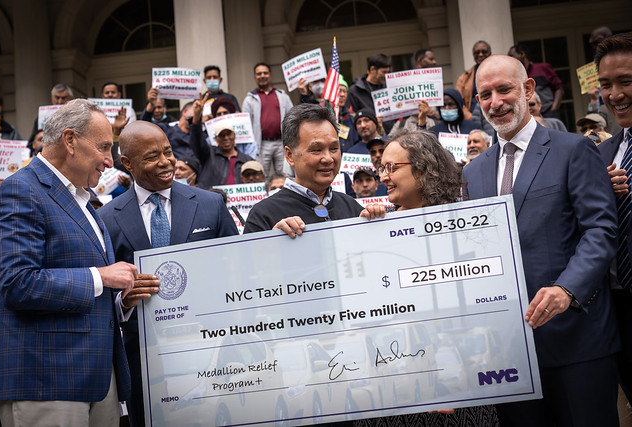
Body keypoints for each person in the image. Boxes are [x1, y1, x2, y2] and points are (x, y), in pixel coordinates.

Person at [463, 54, 619, 426]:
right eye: (485, 95)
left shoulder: (574, 150)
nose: (495, 102)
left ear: (529, 88)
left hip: (577, 342)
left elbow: (600, 231)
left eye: (504, 89)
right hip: (509, 352)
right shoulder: (473, 172)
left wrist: (567, 289)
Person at [0, 99, 138, 426]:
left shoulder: (83, 200)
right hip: (45, 381)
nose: (109, 160)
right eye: (104, 147)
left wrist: (122, 299)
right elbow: (17, 283)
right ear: (70, 140)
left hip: (98, 379)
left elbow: (87, 290)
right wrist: (101, 276)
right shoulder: (20, 190)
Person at [355, 130, 498, 427]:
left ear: (422, 169)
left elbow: (484, 310)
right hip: (395, 390)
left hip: (460, 388)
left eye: (391, 167)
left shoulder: (467, 228)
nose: (383, 177)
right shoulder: (374, 227)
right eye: (381, 168)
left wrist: (451, 380)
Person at [99, 121, 237, 427]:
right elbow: (102, 289)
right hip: (143, 359)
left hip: (209, 349)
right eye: (152, 157)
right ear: (128, 164)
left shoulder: (211, 204)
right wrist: (124, 301)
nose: (166, 162)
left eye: (168, 152)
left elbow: (236, 268)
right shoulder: (105, 219)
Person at [244, 104, 384, 235]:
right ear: (290, 155)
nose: (328, 158)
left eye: (334, 148)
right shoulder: (262, 215)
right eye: (317, 150)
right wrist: (270, 243)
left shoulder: (352, 207)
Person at [594, 31, 632, 405]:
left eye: (626, 81)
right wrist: (598, 192)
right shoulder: (602, 154)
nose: (615, 94)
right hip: (617, 310)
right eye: (606, 85)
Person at [242, 62, 293, 175]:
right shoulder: (249, 99)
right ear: (255, 77)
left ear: (270, 75)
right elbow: (246, 126)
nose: (262, 76)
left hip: (281, 143)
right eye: (259, 74)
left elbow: (292, 117)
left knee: (285, 175)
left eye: (265, 73)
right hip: (261, 145)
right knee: (260, 175)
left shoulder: (283, 96)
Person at [191, 96, 253, 189]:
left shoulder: (246, 160)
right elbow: (197, 142)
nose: (226, 138)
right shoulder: (208, 155)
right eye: (222, 135)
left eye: (229, 134)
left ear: (234, 136)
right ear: (216, 139)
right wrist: (196, 119)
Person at [508, 44, 563, 119]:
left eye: (511, 56)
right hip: (528, 116)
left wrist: (553, 109)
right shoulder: (515, 75)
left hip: (548, 113)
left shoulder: (543, 68)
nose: (510, 59)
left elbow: (559, 89)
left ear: (521, 54)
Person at [456, 41, 492, 119]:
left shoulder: (499, 72)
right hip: (472, 118)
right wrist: (471, 118)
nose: (480, 54)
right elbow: (459, 101)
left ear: (490, 53)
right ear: (473, 55)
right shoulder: (464, 78)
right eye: (477, 52)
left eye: (484, 52)